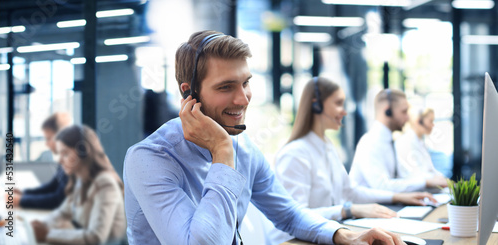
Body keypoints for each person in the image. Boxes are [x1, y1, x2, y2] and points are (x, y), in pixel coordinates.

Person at [124, 30, 406, 245]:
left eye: (245, 82)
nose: (242, 98)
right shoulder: (149, 159)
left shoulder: (242, 146)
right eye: (226, 87)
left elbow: (288, 214)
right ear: (189, 93)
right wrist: (222, 151)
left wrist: (343, 236)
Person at [270, 78, 435, 243]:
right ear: (316, 104)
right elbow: (296, 217)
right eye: (338, 103)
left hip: (328, 235)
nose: (344, 111)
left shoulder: (327, 146)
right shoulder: (295, 154)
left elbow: (350, 191)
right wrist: (348, 210)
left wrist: (397, 197)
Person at [30, 125, 126, 244]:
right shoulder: (81, 180)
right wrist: (43, 224)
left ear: (83, 151)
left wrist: (48, 234)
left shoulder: (105, 184)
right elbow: (63, 212)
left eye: (65, 153)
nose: (60, 160)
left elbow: (95, 237)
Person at [349, 89, 448, 192]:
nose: (408, 117)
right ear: (388, 112)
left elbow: (401, 179)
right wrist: (425, 182)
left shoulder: (389, 142)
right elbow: (382, 186)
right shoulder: (369, 143)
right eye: (404, 112)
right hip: (367, 206)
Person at [13, 112, 71, 210]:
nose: (46, 144)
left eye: (48, 138)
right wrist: (24, 193)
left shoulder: (72, 160)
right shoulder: (64, 158)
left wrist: (21, 200)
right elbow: (52, 186)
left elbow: (58, 200)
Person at [395, 107, 446, 179]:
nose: (433, 125)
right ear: (419, 121)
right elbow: (415, 175)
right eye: (431, 121)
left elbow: (430, 170)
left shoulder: (421, 143)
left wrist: (444, 179)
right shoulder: (405, 142)